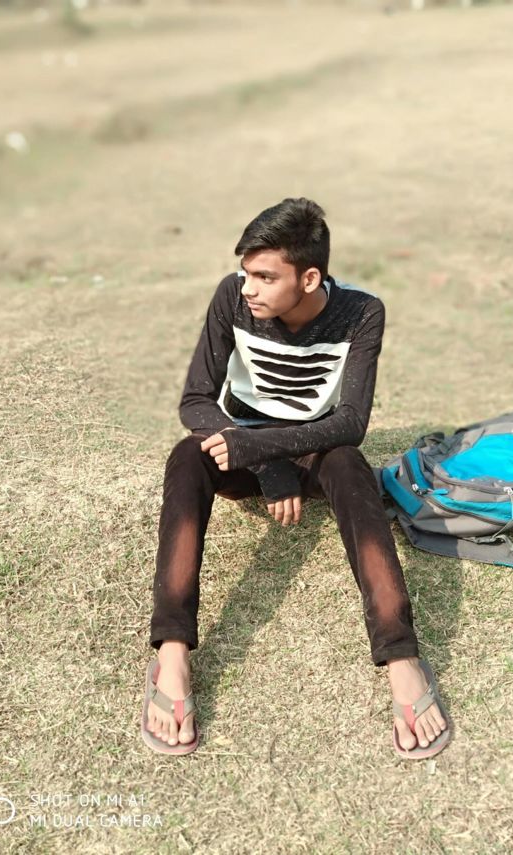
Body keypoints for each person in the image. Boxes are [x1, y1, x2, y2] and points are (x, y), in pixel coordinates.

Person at [142, 197, 451, 759]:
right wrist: (266, 465)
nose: (248, 288)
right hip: (241, 449)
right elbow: (196, 401)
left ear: (308, 278)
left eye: (265, 277)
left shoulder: (362, 312)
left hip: (317, 450)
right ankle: (172, 652)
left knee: (350, 464)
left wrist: (273, 454)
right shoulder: (230, 298)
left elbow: (351, 424)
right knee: (186, 456)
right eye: (246, 273)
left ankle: (401, 655)